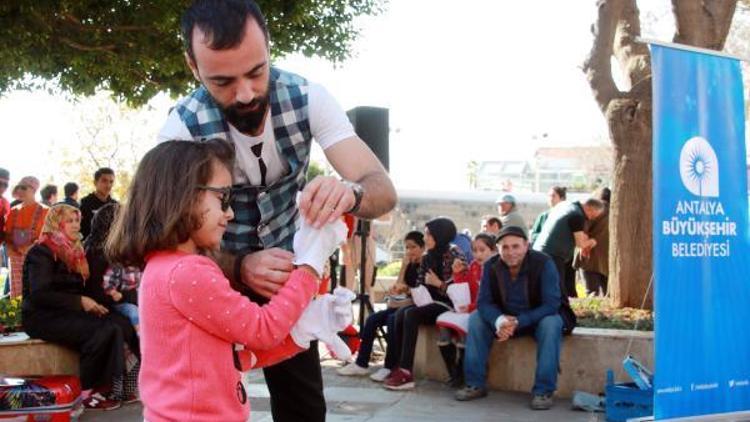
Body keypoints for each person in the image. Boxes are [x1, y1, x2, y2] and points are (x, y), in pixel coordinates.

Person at [157, 1, 397, 420]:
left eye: (256, 71)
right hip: (212, 277)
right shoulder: (181, 129)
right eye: (223, 81)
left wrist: (349, 193)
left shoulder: (308, 99)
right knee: (201, 401)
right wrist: (238, 266)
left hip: (287, 288)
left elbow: (383, 191)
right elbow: (162, 240)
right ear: (193, 67)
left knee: (303, 407)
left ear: (269, 47)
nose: (246, 94)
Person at [106, 140, 346, 421]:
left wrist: (302, 331)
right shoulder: (187, 273)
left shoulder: (165, 268)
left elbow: (236, 359)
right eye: (223, 198)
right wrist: (310, 266)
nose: (230, 214)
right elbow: (263, 329)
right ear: (182, 196)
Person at [21, 204, 139, 410]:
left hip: (68, 311)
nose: (76, 225)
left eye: (77, 220)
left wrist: (93, 303)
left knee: (120, 323)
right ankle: (87, 390)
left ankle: (114, 387)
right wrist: (80, 302)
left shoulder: (74, 251)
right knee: (102, 330)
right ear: (57, 224)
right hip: (42, 316)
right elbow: (39, 294)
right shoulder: (41, 252)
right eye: (70, 221)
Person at [456, 226, 571, 410]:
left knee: (552, 323)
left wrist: (518, 321)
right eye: (505, 247)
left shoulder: (544, 263)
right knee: (476, 319)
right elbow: (484, 302)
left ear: (526, 245)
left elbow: (551, 304)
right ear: (498, 249)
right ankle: (475, 384)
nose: (511, 252)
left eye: (516, 246)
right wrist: (500, 320)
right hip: (504, 318)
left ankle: (543, 391)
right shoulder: (491, 265)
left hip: (536, 320)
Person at [383, 217, 465, 390]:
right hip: (430, 303)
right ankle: (397, 367)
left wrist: (439, 284)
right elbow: (420, 286)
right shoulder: (427, 257)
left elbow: (461, 289)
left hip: (448, 304)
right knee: (400, 314)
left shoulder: (454, 254)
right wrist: (404, 289)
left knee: (411, 314)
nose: (425, 238)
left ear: (440, 235)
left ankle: (406, 373)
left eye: (429, 234)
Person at [337, 231, 425, 381]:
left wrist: (405, 289)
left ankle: (389, 366)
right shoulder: (409, 264)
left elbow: (421, 291)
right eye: (407, 248)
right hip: (400, 304)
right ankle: (361, 364)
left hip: (413, 306)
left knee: (392, 320)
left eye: (413, 247)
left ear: (423, 248)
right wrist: (403, 267)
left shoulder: (425, 265)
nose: (410, 251)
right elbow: (399, 284)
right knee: (372, 320)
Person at [436, 232, 497, 387]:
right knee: (443, 326)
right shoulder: (474, 266)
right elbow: (467, 289)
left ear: (493, 250)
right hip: (468, 309)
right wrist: (458, 274)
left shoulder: (497, 268)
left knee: (465, 328)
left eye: (482, 250)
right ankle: (453, 372)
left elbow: (492, 299)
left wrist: (470, 308)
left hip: (485, 311)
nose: (478, 254)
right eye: (474, 251)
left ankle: (462, 374)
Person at [85, 203, 141, 336]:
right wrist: (130, 296)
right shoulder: (98, 253)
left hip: (118, 302)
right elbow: (101, 294)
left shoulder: (112, 248)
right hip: (109, 307)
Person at [532, 198, 604, 297]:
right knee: (557, 288)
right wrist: (593, 241)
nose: (591, 219)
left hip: (538, 249)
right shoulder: (577, 216)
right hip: (553, 254)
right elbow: (581, 244)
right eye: (593, 215)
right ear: (589, 208)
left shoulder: (565, 206)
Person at [5, 176, 48, 298]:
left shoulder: (46, 211)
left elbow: (48, 236)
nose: (20, 191)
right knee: (17, 296)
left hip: (36, 259)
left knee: (34, 294)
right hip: (16, 259)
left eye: (24, 188)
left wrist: (31, 248)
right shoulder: (13, 211)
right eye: (19, 188)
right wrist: (9, 249)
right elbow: (7, 235)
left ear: (34, 190)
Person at [573, 188, 610, 295]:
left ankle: (592, 312)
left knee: (591, 292)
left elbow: (582, 229)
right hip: (607, 260)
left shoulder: (592, 210)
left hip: (588, 256)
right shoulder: (617, 212)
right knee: (607, 294)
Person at [79, 167, 116, 239]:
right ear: (95, 183)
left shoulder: (115, 205)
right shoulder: (84, 203)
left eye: (111, 182)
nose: (108, 185)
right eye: (104, 181)